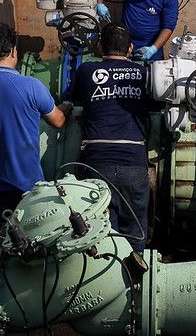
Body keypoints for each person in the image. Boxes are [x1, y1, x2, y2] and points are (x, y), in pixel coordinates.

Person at [0, 23, 71, 223]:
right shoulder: (32, 87)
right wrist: (66, 107)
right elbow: (58, 121)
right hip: (27, 189)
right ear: (12, 51)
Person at [69, 23, 150, 251]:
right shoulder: (144, 73)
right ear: (131, 48)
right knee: (136, 232)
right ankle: (135, 276)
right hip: (133, 162)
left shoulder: (86, 71)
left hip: (95, 163)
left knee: (101, 233)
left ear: (100, 46)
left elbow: (74, 99)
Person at [95, 0, 179, 61]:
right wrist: (99, 3)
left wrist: (153, 49)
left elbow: (168, 26)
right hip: (124, 42)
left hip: (150, 45)